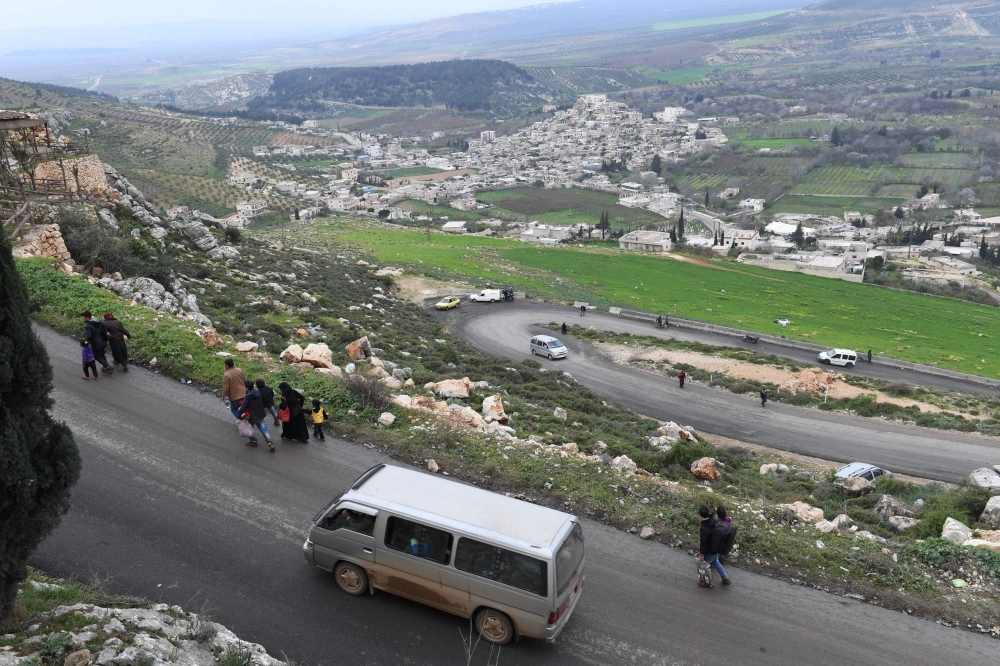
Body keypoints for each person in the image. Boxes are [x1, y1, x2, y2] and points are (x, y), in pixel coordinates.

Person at [237, 380, 275, 451]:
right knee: (264, 429)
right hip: (260, 414)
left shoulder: (248, 396)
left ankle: (253, 441)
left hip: (252, 416)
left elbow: (243, 407)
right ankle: (270, 443)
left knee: (248, 429)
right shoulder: (258, 393)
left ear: (247, 388)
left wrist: (239, 415)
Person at [698, 505, 731, 587]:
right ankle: (726, 579)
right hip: (716, 547)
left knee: (704, 567)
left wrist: (702, 554)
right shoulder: (714, 520)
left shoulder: (704, 528)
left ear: (700, 515)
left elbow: (703, 542)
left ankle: (705, 582)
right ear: (708, 513)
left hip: (709, 550)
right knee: (716, 562)